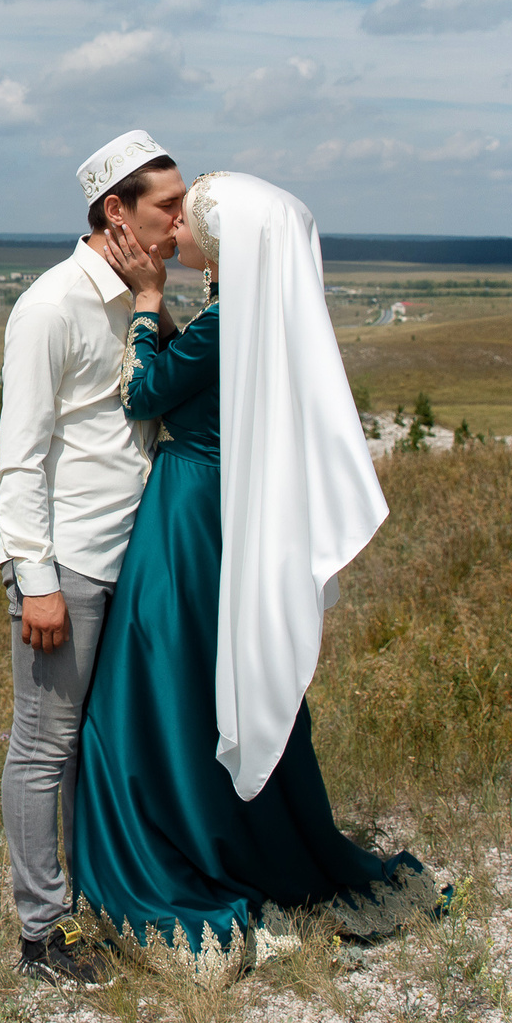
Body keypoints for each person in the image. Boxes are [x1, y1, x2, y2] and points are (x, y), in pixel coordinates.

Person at [74, 171, 436, 981]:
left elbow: (144, 394)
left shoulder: (226, 321)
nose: (178, 228)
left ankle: (179, 841)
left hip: (188, 515)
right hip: (229, 510)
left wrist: (145, 301)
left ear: (223, 244)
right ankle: (252, 828)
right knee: (214, 673)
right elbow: (200, 371)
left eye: (191, 219)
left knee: (152, 684)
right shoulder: (259, 318)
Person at [0, 128, 187, 986]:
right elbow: (20, 458)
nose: (180, 223)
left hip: (128, 558)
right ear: (117, 210)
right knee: (45, 747)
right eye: (167, 208)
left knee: (99, 744)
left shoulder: (141, 298)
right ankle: (41, 935)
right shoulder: (51, 306)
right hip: (66, 564)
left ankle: (104, 900)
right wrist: (36, 582)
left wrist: (154, 298)